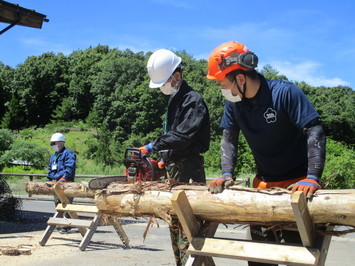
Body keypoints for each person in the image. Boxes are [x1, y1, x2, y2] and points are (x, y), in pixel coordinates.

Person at [206, 41, 326, 266]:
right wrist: (226, 173)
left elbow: (315, 131)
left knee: (297, 258)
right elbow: (229, 137)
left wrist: (313, 177)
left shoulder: (285, 93)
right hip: (263, 187)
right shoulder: (234, 104)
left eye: (223, 83)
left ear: (240, 78)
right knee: (259, 259)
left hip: (297, 187)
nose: (223, 90)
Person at [139, 49, 211, 265]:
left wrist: (153, 146)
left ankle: (190, 261)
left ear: (177, 76)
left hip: (189, 168)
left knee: (189, 224)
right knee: (174, 222)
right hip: (175, 165)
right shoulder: (176, 100)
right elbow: (175, 138)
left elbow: (183, 136)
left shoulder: (192, 100)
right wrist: (165, 156)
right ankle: (180, 262)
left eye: (164, 82)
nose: (162, 87)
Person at [47, 132, 76, 234]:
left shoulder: (68, 154)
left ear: (61, 143)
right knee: (57, 204)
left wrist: (63, 179)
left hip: (66, 183)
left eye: (54, 143)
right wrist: (48, 180)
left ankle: (66, 226)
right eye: (52, 144)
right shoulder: (53, 156)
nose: (53, 145)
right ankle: (60, 223)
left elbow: (70, 168)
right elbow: (50, 169)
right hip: (55, 183)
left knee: (67, 204)